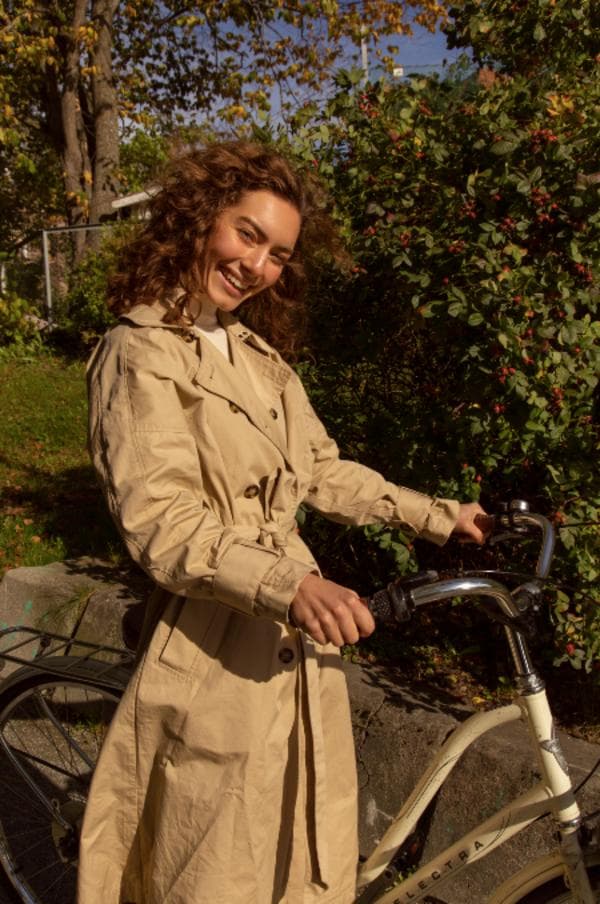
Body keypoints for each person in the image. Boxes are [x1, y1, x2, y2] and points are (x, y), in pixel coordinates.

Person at [78, 140, 490, 904]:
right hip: (215, 645)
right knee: (209, 862)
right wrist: (288, 583)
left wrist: (440, 516)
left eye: (277, 254)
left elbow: (320, 471)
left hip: (296, 645)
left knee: (294, 848)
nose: (257, 265)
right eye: (248, 234)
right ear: (201, 218)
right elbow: (161, 522)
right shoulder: (140, 352)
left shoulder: (257, 357)